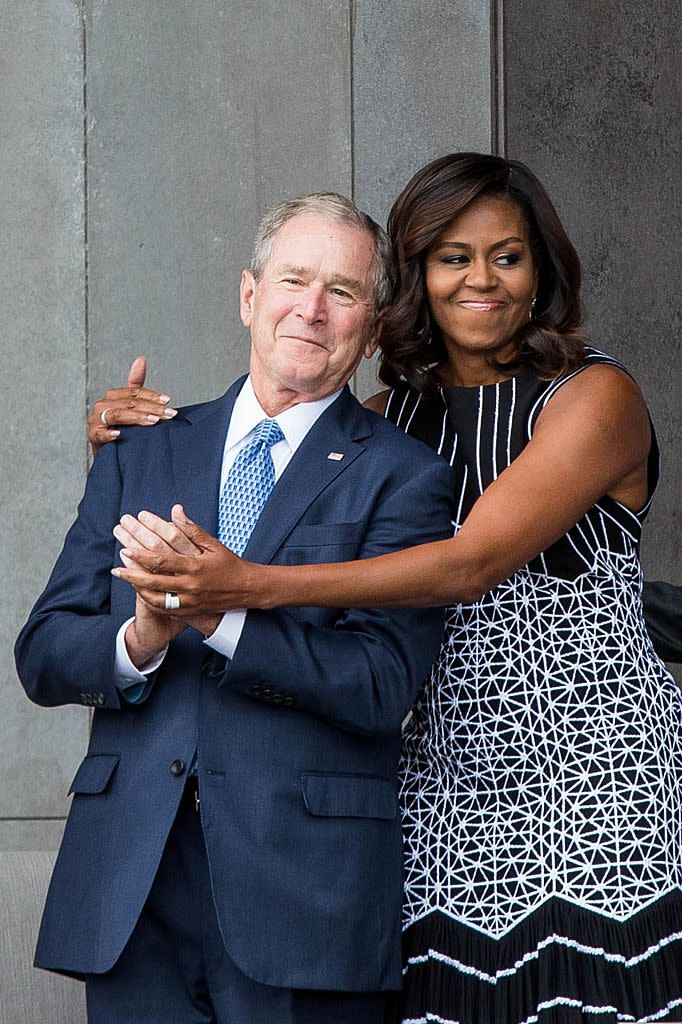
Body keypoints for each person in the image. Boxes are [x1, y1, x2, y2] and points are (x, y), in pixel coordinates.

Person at [103, 154, 682, 1024]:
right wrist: (132, 447)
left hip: (590, 772)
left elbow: (469, 565)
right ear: (413, 278)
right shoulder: (380, 422)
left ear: (542, 271)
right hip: (437, 777)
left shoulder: (594, 395)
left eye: (508, 256)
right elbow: (252, 476)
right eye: (453, 256)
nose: (480, 279)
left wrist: (249, 585)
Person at [14, 193, 456, 1024]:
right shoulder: (143, 445)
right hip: (129, 888)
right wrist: (142, 636)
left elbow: (381, 684)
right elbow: (42, 652)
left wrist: (220, 616)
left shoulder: (405, 476)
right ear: (250, 296)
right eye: (293, 279)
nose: (312, 309)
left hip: (304, 893)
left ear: (371, 324)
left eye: (343, 291)